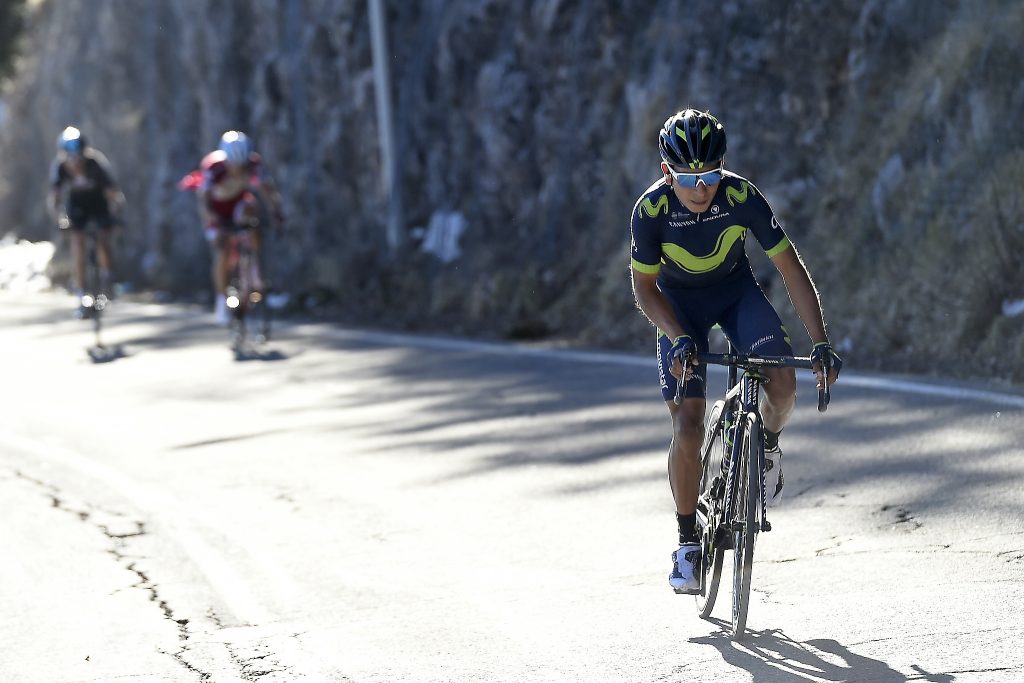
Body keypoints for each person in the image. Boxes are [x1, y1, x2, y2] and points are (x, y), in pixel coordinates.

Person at [628, 109, 843, 594]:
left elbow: (790, 269)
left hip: (736, 293)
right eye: (688, 178)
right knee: (686, 423)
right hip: (678, 307)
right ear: (667, 172)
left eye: (710, 175)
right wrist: (675, 334)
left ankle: (762, 446)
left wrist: (821, 342)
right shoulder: (652, 211)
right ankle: (687, 542)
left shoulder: (741, 196)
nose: (701, 189)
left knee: (783, 386)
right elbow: (644, 289)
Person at [179, 130, 284, 324]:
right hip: (216, 211)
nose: (238, 169)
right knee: (223, 251)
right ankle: (221, 299)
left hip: (238, 204)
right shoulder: (213, 166)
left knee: (251, 213)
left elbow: (266, 190)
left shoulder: (254, 164)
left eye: (241, 165)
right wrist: (214, 223)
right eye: (234, 165)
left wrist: (276, 212)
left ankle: (254, 267)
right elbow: (204, 202)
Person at [48, 126, 124, 309]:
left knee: (103, 239)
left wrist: (116, 212)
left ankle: (106, 277)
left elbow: (113, 193)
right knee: (78, 242)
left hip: (99, 204)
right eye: (71, 159)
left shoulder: (95, 163)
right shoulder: (59, 168)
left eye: (79, 158)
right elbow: (55, 198)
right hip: (77, 206)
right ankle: (81, 291)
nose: (75, 163)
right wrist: (59, 218)